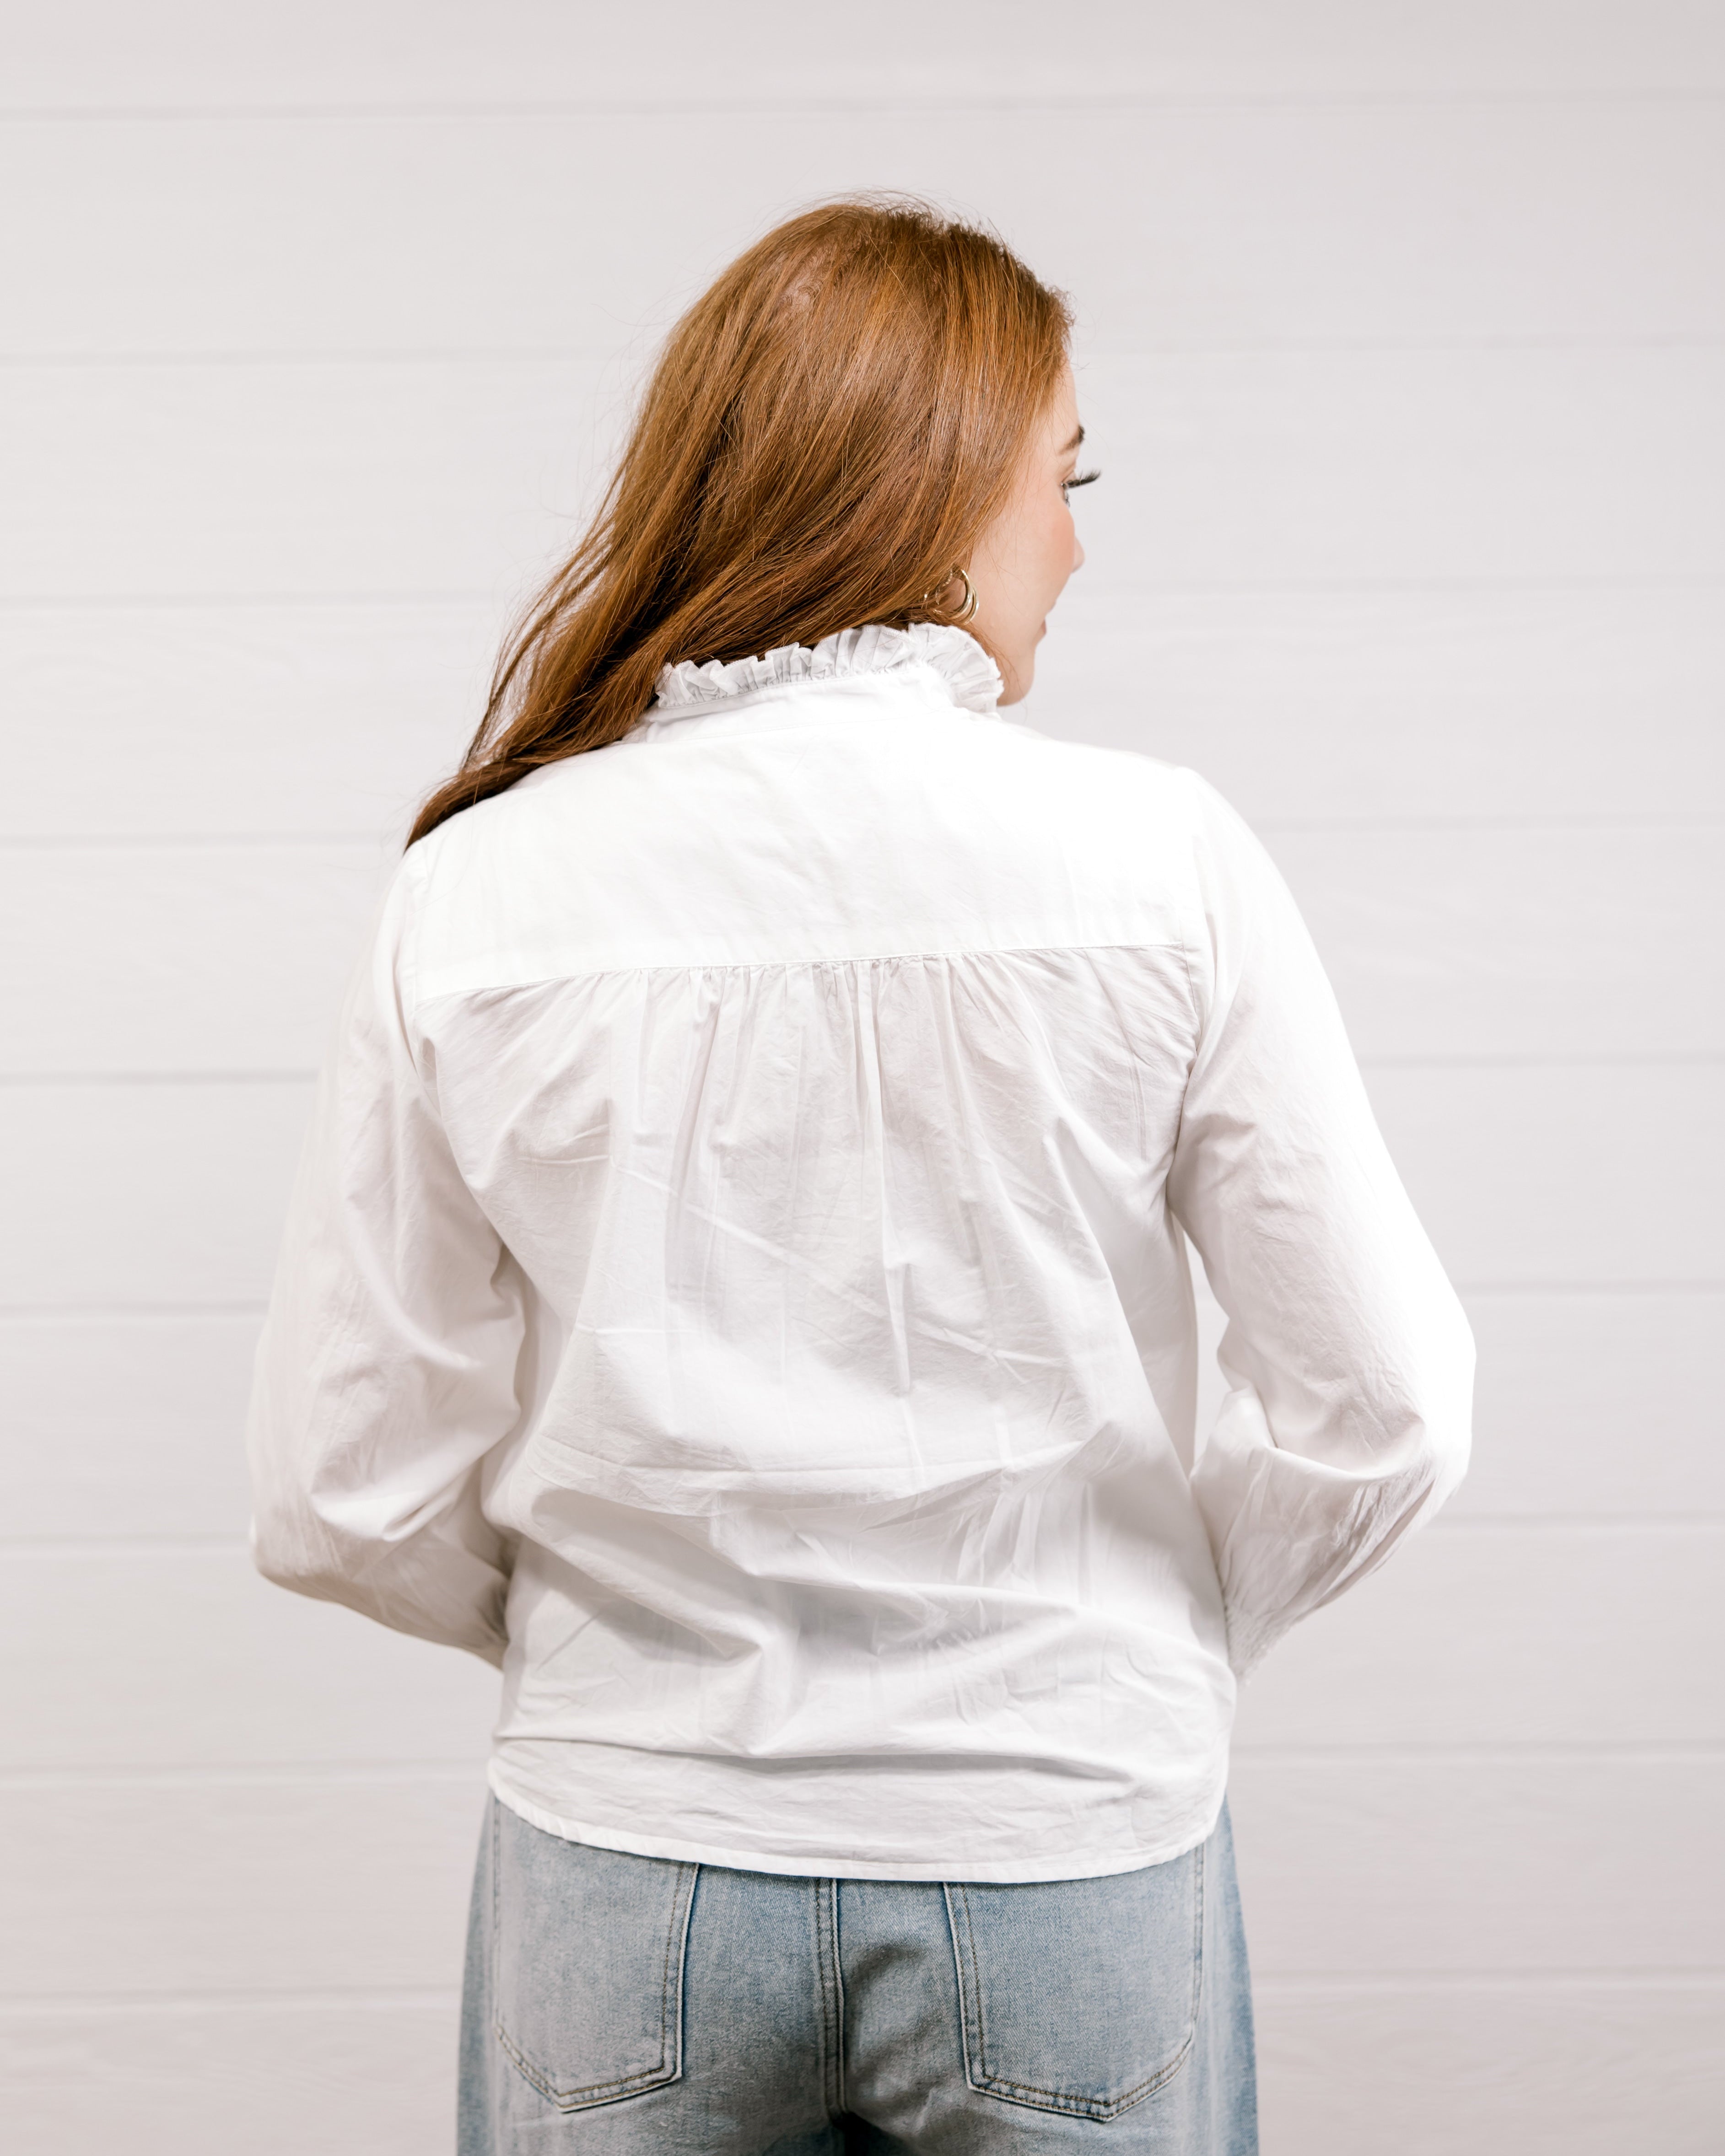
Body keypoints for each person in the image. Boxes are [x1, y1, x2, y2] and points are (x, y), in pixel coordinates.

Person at [247, 197, 1472, 2154]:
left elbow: (339, 1485)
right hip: (1065, 1842)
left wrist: (622, 1635)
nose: (1074, 539)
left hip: (628, 1864)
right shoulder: (1161, 860)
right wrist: (1131, 1632)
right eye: (1061, 478)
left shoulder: (476, 883)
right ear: (936, 487)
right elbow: (1385, 1410)